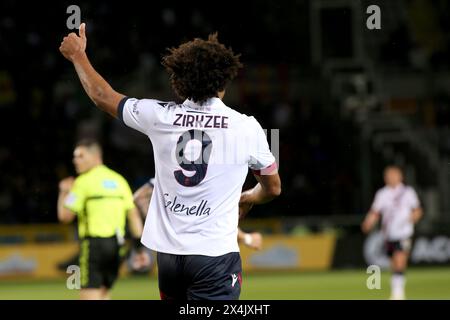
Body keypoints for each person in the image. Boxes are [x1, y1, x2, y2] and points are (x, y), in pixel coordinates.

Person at [59, 23, 281, 300]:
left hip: (169, 258)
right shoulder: (247, 127)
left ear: (178, 81)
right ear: (224, 81)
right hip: (214, 257)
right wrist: (247, 197)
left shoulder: (160, 116)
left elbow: (101, 96)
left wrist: (78, 55)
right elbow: (273, 188)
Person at [57, 139, 145, 300]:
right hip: (118, 247)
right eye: (75, 157)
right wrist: (139, 248)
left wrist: (64, 192)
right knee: (104, 293)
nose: (75, 160)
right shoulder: (119, 180)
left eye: (80, 156)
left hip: (94, 247)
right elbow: (133, 216)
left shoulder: (82, 182)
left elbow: (65, 216)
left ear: (95, 156)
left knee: (89, 294)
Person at [133, 179, 264, 251]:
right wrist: (246, 238)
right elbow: (218, 221)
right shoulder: (212, 183)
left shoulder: (170, 177)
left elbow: (139, 197)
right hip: (206, 254)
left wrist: (160, 223)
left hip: (171, 253)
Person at [361, 165, 423, 300]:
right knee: (394, 263)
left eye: (394, 175)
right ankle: (396, 289)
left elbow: (417, 210)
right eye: (388, 175)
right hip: (389, 234)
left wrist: (413, 218)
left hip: (404, 234)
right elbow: (375, 212)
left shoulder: (408, 192)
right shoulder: (382, 194)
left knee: (400, 260)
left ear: (400, 176)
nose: (391, 177)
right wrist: (368, 222)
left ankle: (398, 294)